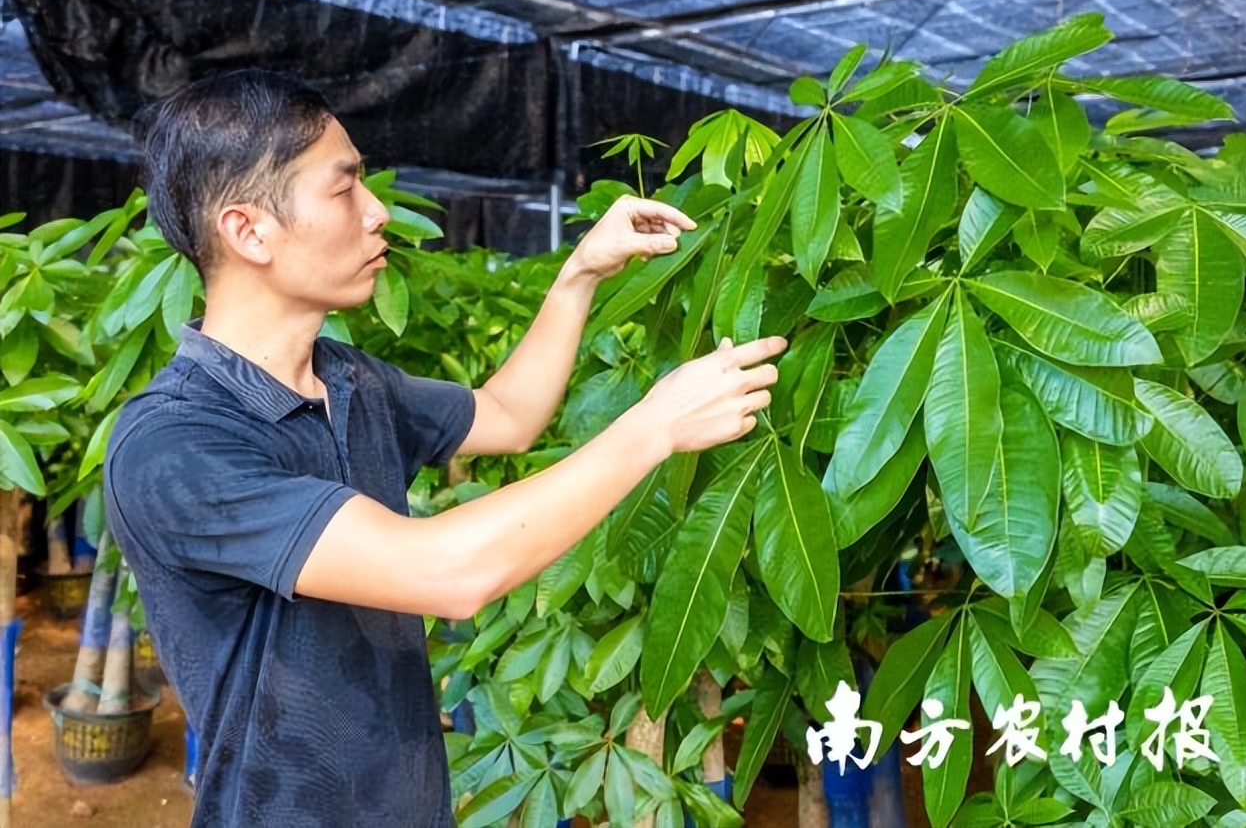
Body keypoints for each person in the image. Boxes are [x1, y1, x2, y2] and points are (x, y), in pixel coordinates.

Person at [104, 68, 784, 827]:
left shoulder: (349, 377)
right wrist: (654, 426)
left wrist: (579, 276)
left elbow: (505, 413)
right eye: (344, 188)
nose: (378, 211)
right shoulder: (173, 443)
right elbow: (446, 572)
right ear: (247, 230)